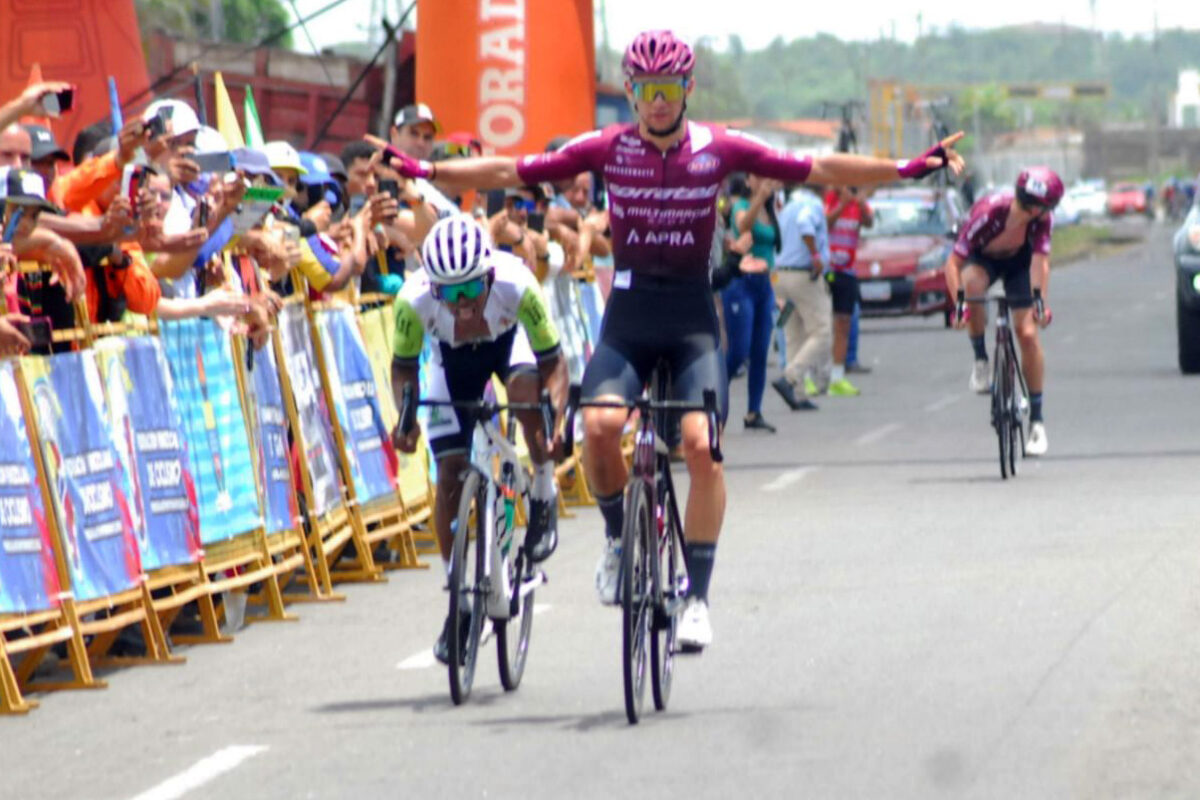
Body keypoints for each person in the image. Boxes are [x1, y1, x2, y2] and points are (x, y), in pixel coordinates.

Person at [376, 29, 964, 651]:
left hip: (690, 318)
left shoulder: (718, 148)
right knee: (599, 429)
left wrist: (904, 167)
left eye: (670, 89)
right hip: (629, 313)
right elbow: (513, 166)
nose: (658, 103)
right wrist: (428, 169)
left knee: (701, 447)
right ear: (631, 92)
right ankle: (614, 538)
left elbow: (817, 167)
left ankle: (698, 598)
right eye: (647, 91)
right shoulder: (610, 147)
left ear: (686, 89)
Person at [389, 214, 567, 664]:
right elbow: (403, 370)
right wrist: (406, 418)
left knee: (530, 401)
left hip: (511, 347)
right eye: (449, 293)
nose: (462, 303)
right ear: (433, 288)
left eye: (470, 289)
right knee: (449, 472)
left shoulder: (517, 285)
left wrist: (555, 416)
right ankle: (459, 602)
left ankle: (543, 487)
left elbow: (553, 362)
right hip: (450, 364)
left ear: (489, 274)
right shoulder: (411, 303)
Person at [945, 167, 1059, 456]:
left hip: (1018, 265)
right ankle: (982, 360)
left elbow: (1039, 263)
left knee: (1028, 334)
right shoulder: (990, 213)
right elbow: (953, 264)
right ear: (1035, 207)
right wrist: (959, 305)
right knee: (973, 286)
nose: (1049, 213)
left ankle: (1037, 422)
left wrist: (1040, 302)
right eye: (1047, 208)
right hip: (983, 259)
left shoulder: (1040, 223)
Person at [726, 174, 781, 432]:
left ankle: (753, 411)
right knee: (739, 351)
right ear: (748, 182)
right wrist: (760, 197)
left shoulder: (771, 211)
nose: (764, 181)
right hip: (741, 283)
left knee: (760, 351)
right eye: (758, 177)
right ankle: (711, 396)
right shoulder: (742, 206)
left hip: (764, 284)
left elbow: (772, 247)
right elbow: (743, 227)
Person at [772, 187, 831, 412]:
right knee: (822, 331)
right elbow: (805, 224)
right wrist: (816, 255)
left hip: (780, 276)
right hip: (803, 276)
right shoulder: (811, 205)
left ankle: (797, 394)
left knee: (794, 334)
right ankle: (790, 377)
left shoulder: (788, 207)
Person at [823, 185, 874, 395]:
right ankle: (814, 375)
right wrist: (842, 204)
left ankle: (837, 377)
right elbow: (826, 223)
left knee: (843, 323)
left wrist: (860, 204)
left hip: (848, 271)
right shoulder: (829, 199)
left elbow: (869, 223)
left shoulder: (858, 202)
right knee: (823, 326)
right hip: (827, 270)